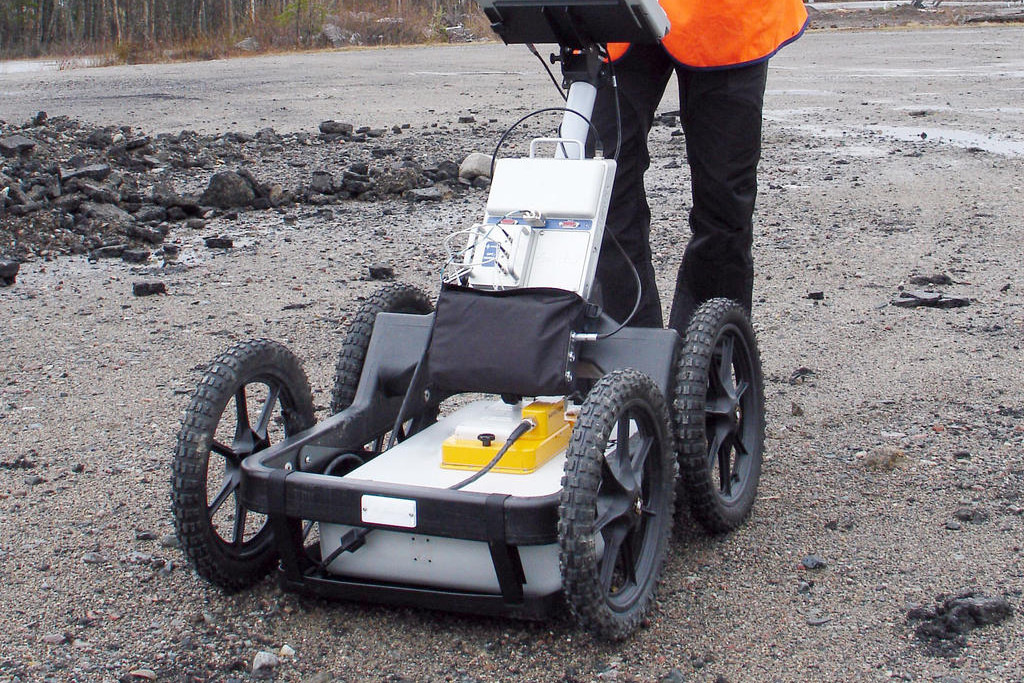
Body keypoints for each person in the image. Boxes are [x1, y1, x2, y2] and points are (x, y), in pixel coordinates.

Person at [591, 0, 808, 333]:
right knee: (603, 186)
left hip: (728, 16)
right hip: (617, 17)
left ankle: (707, 359)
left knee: (724, 201)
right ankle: (627, 354)